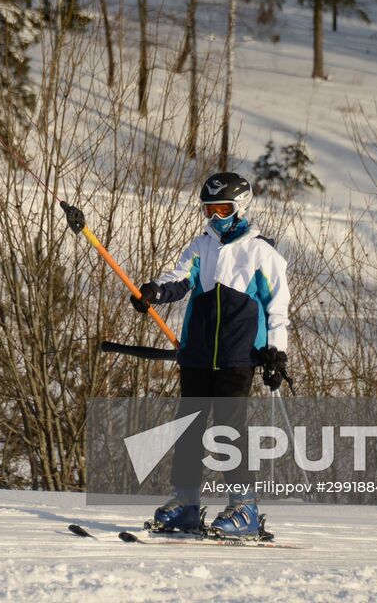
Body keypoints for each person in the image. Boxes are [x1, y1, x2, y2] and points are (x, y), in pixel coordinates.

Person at [130, 171, 290, 538]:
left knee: (229, 430)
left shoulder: (261, 253)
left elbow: (278, 310)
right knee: (189, 429)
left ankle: (244, 508)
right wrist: (153, 292)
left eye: (221, 209)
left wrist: (276, 354)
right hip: (198, 354)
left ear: (240, 207)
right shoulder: (201, 246)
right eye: (208, 210)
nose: (214, 217)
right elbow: (178, 277)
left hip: (239, 355)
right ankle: (187, 505)